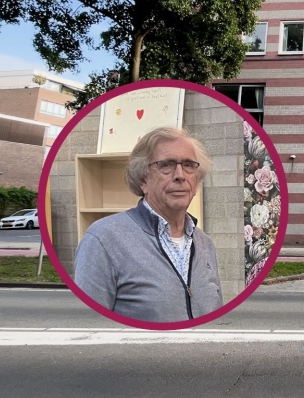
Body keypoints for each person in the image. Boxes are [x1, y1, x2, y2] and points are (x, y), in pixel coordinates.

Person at [74, 126, 223, 322]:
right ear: (143, 179)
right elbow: (86, 327)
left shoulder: (204, 243)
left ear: (197, 180)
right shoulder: (103, 239)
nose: (180, 175)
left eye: (188, 165)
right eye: (166, 165)